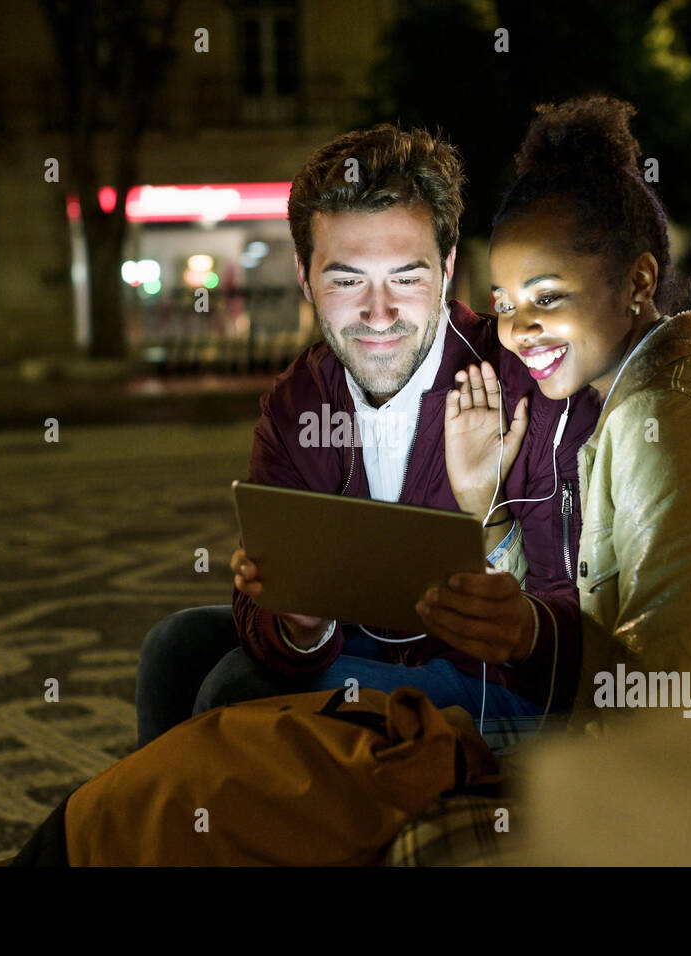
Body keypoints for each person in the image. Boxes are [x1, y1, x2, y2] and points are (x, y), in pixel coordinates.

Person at [136, 124, 602, 748]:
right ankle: (158, 835)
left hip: (488, 683)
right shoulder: (300, 399)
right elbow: (261, 606)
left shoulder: (529, 384)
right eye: (347, 280)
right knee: (174, 648)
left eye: (407, 278)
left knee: (237, 691)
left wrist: (512, 596)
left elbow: (579, 635)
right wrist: (299, 623)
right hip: (357, 649)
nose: (378, 314)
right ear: (305, 277)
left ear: (448, 268)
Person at [442, 95, 691, 732]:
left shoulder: (670, 423)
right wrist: (486, 504)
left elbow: (661, 698)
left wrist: (531, 638)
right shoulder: (648, 400)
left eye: (547, 296)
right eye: (505, 301)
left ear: (639, 282)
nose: (518, 330)